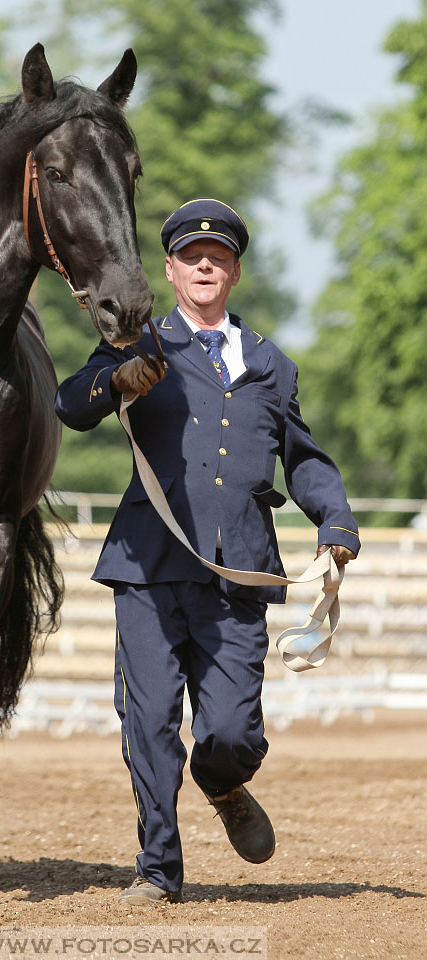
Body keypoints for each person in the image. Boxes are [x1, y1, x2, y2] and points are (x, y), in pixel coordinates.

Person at [54, 198, 359, 905]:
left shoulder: (272, 364)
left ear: (235, 273)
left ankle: (223, 781)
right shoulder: (141, 345)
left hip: (239, 572)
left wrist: (335, 520)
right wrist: (113, 380)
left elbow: (304, 458)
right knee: (151, 722)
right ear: (169, 269)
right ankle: (158, 870)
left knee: (230, 731)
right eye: (192, 257)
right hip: (148, 567)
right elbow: (71, 405)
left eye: (217, 257)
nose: (204, 266)